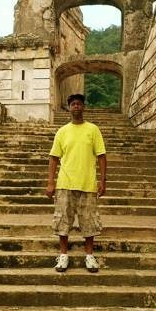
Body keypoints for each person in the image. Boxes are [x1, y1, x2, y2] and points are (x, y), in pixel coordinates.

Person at [46, 94, 107, 273]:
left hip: (87, 184)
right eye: (73, 104)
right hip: (65, 183)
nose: (76, 107)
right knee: (62, 221)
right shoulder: (62, 131)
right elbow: (53, 158)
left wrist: (102, 180)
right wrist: (50, 182)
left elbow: (102, 156)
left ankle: (89, 256)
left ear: (83, 107)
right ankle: (63, 255)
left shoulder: (93, 130)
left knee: (89, 222)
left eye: (79, 104)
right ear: (69, 108)